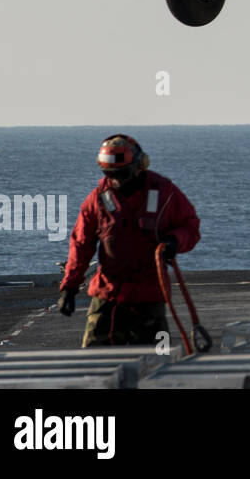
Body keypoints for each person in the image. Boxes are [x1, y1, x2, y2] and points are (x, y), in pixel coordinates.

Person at [56, 134, 201, 347]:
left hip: (150, 298)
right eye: (110, 174)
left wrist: (174, 242)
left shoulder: (165, 193)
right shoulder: (97, 200)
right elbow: (81, 244)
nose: (117, 181)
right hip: (108, 297)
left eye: (122, 174)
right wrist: (69, 287)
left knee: (160, 359)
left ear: (139, 165)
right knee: (92, 361)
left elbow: (190, 227)